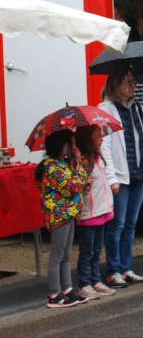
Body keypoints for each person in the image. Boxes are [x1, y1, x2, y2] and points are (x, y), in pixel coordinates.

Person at [99, 70, 143, 288]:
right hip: (121, 177)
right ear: (116, 84)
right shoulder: (105, 110)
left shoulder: (137, 107)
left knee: (131, 225)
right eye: (129, 82)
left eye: (134, 82)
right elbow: (104, 147)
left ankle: (126, 268)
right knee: (117, 225)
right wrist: (111, 176)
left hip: (139, 173)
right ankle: (113, 270)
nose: (133, 86)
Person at [37, 130, 90, 308]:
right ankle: (54, 294)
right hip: (58, 215)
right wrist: (81, 175)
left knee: (65, 255)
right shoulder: (54, 169)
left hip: (67, 213)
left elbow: (78, 182)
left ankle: (66, 290)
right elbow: (72, 187)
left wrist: (78, 162)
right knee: (57, 255)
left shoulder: (62, 166)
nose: (74, 147)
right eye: (72, 144)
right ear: (63, 147)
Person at [74, 125, 117, 300]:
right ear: (87, 140)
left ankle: (95, 279)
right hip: (88, 213)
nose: (101, 139)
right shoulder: (83, 162)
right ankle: (84, 283)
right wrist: (78, 164)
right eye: (97, 137)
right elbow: (81, 187)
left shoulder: (99, 158)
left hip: (101, 210)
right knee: (87, 251)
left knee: (97, 249)